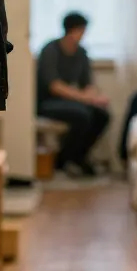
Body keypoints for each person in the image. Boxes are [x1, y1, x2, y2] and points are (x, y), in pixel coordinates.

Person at [37, 12, 110, 177]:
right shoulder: (50, 50)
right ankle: (62, 160)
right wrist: (84, 98)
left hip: (72, 101)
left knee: (102, 115)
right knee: (82, 115)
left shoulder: (81, 52)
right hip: (48, 102)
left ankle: (79, 156)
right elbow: (54, 86)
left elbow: (87, 84)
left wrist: (95, 98)